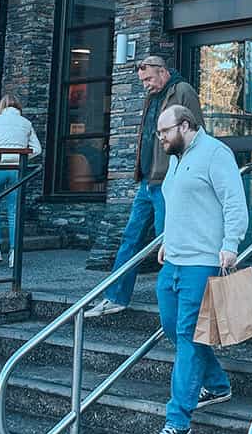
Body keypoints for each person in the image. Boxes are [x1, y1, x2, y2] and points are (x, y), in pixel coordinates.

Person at [147, 104, 248, 434]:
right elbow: (179, 206)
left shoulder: (215, 154)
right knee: (173, 327)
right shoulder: (177, 157)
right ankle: (218, 383)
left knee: (189, 335)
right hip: (173, 259)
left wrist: (231, 243)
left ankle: (177, 420)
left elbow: (234, 201)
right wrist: (165, 241)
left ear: (185, 126)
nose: (160, 138)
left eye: (164, 132)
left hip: (203, 262)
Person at [86, 55, 203, 318]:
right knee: (130, 238)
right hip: (147, 182)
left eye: (149, 79)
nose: (146, 84)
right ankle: (115, 297)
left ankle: (175, 303)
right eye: (142, 80)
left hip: (168, 182)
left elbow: (196, 134)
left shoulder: (182, 91)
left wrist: (186, 176)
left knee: (169, 241)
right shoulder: (152, 97)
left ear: (162, 72)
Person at [0, 94, 42, 267]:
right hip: (17, 170)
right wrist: (21, 158)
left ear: (2, 106)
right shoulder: (26, 123)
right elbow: (37, 149)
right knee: (14, 211)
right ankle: (14, 254)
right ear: (18, 107)